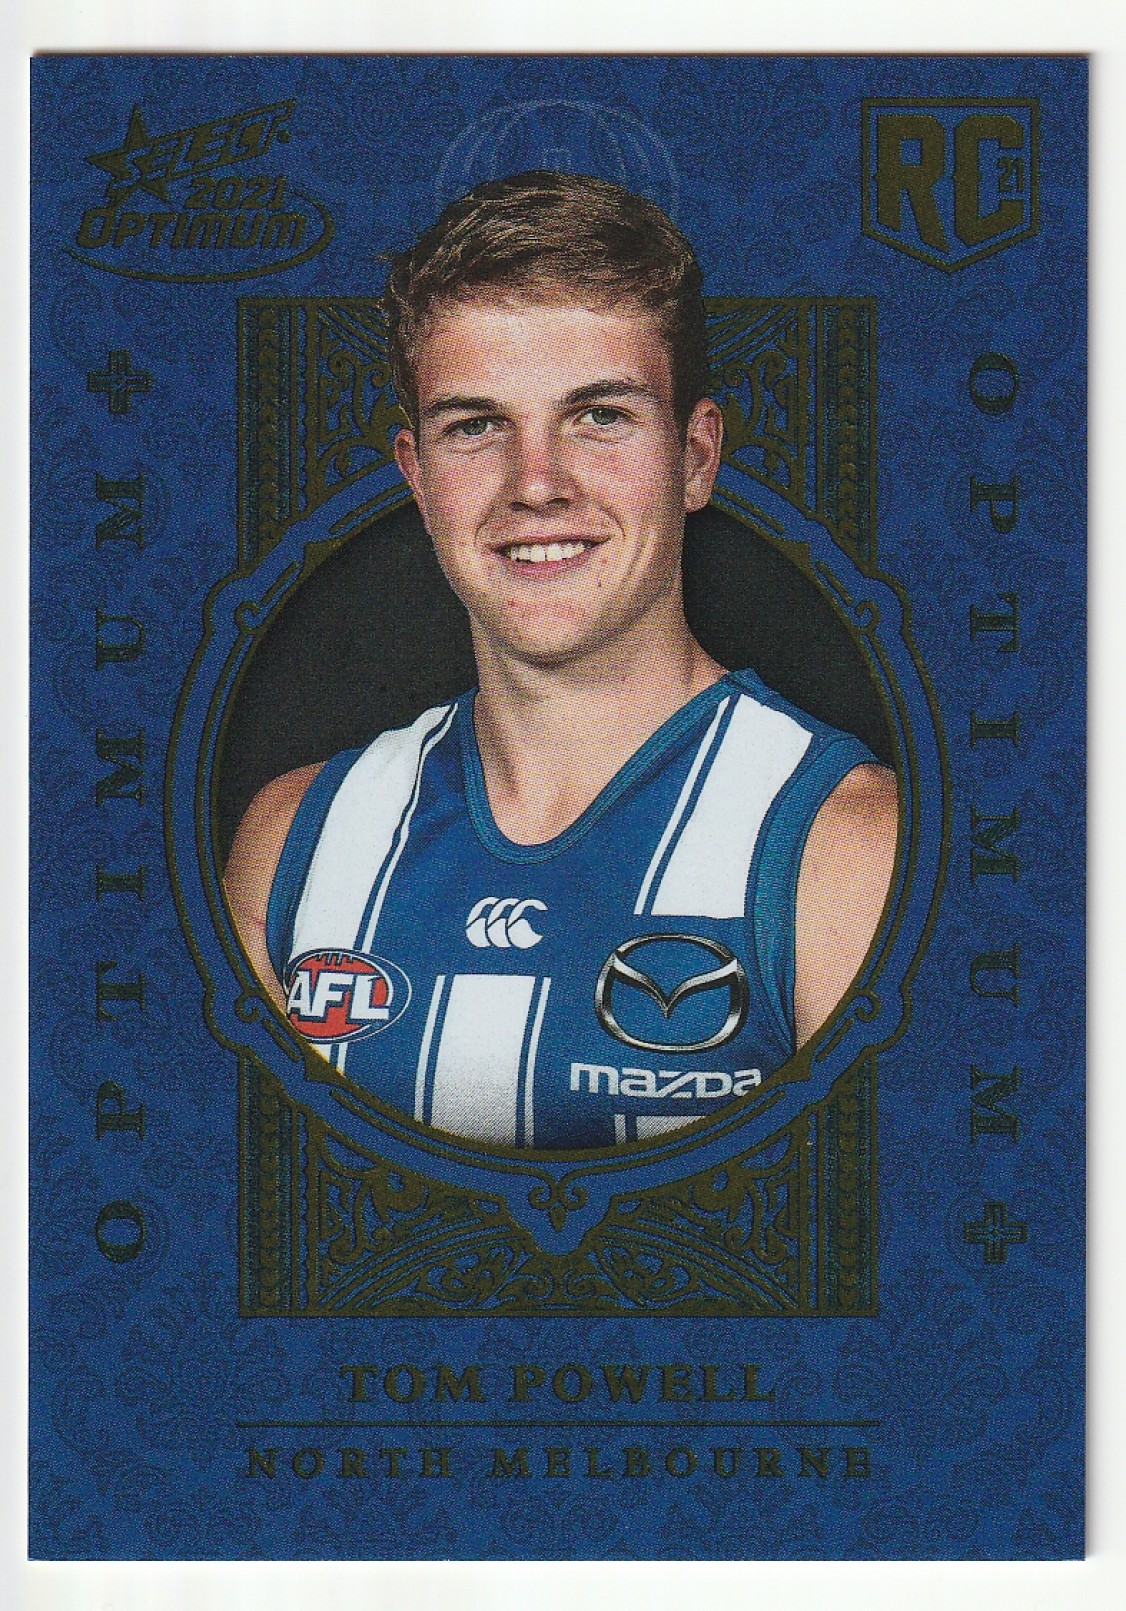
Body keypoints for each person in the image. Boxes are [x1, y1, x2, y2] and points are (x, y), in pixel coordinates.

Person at [224, 170, 898, 1151]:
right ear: (417, 478)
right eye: (476, 426)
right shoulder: (294, 842)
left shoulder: (844, 849)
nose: (536, 484)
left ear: (696, 457)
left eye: (599, 416)